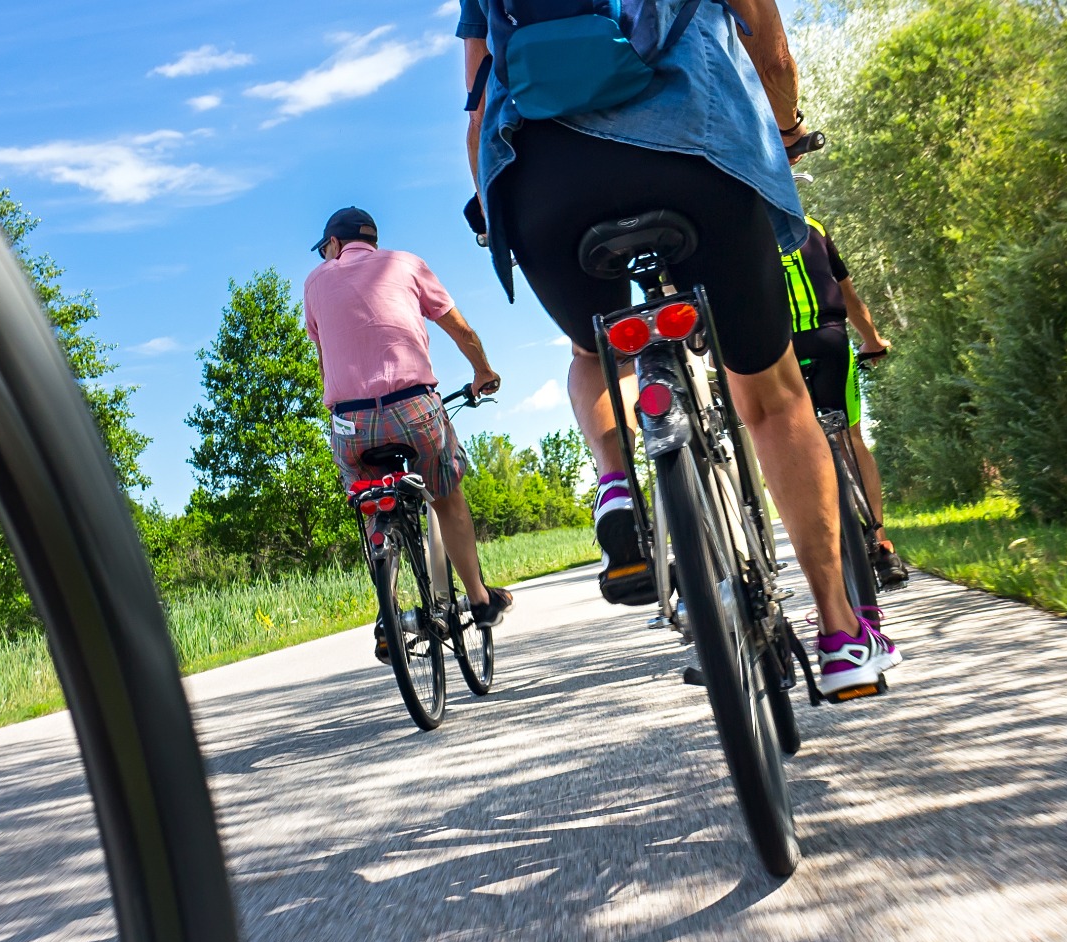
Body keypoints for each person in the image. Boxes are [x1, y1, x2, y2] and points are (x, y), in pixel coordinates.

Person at [456, 0, 898, 697]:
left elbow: (480, 102)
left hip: (545, 180)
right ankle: (841, 631)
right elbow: (774, 55)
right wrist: (783, 132)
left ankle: (613, 484)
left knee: (594, 352)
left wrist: (493, 207)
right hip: (698, 151)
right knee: (772, 397)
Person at [302, 206, 514, 648]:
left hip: (350, 422)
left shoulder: (315, 282)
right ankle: (478, 598)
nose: (326, 257)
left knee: (369, 503)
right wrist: (483, 371)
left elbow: (325, 353)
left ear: (336, 244)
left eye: (326, 248)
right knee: (447, 495)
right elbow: (462, 331)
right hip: (412, 406)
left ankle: (388, 615)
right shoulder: (407, 264)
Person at [781, 203, 908, 588]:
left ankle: (822, 558)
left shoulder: (743, 234)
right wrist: (873, 341)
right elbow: (850, 299)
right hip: (830, 339)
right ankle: (882, 544)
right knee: (849, 438)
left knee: (793, 448)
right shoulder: (812, 227)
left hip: (780, 351)